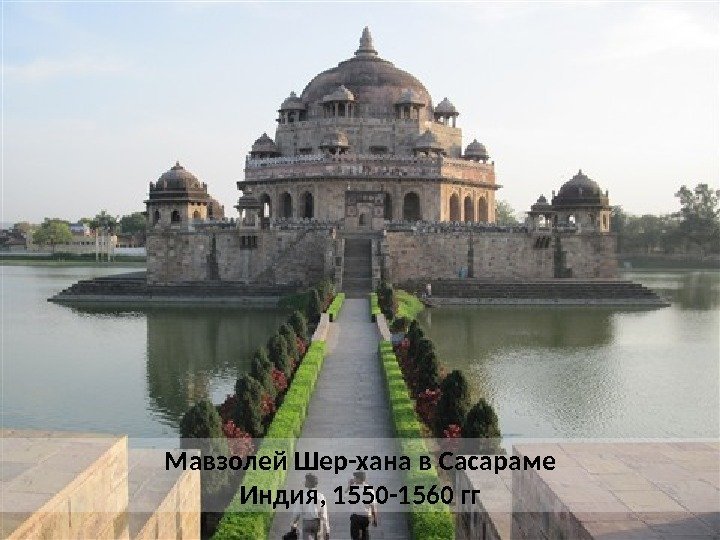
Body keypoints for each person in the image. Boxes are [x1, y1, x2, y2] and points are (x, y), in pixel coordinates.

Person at [292, 473, 330, 540]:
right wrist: (327, 529)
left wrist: (294, 523)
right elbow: (324, 514)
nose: (304, 482)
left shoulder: (302, 496)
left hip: (306, 522)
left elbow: (297, 513)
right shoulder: (321, 496)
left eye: (306, 480)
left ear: (309, 482)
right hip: (317, 522)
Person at [347, 471, 378, 539]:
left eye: (355, 478)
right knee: (365, 534)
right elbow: (373, 505)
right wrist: (375, 518)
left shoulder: (353, 488)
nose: (354, 479)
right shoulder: (370, 490)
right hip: (365, 517)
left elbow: (345, 496)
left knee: (355, 536)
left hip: (355, 517)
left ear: (359, 479)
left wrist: (349, 485)